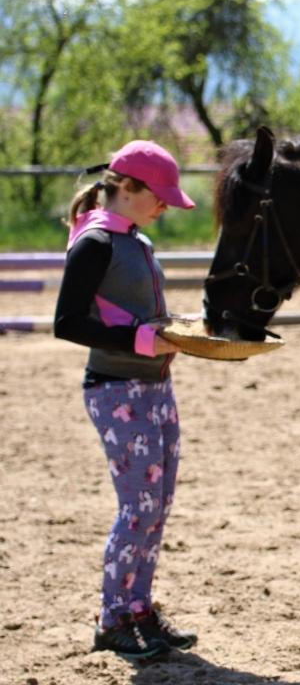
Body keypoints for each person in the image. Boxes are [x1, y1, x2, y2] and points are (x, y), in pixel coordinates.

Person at [54, 140, 198, 661]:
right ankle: (111, 619)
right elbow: (67, 322)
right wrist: (141, 340)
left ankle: (139, 609)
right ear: (129, 188)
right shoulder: (95, 242)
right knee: (137, 508)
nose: (165, 207)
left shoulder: (136, 239)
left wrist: (171, 329)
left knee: (157, 506)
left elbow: (130, 311)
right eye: (159, 197)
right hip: (117, 390)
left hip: (155, 387)